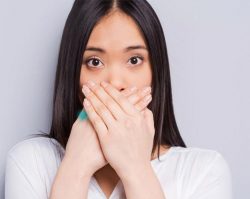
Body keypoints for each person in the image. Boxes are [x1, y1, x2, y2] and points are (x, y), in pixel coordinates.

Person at [4, 0, 233, 199]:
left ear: (156, 71)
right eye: (94, 62)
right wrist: (75, 168)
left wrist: (136, 168)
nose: (115, 83)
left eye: (134, 60)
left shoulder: (204, 171)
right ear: (73, 73)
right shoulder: (32, 161)